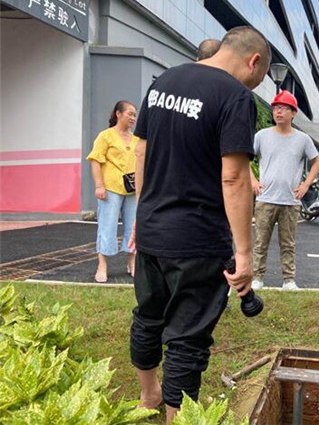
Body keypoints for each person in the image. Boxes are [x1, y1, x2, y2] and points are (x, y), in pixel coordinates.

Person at [127, 26, 270, 424]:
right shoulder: (235, 96)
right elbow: (235, 177)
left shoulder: (165, 81)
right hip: (199, 239)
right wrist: (244, 253)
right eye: (257, 77)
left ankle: (148, 394)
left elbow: (141, 151)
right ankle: (177, 418)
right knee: (187, 337)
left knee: (148, 315)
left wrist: (142, 214)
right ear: (253, 60)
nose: (253, 84)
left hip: (154, 229)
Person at [250, 90, 319, 291]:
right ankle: (257, 278)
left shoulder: (303, 139)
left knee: (288, 244)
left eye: (283, 108)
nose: (278, 112)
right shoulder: (261, 136)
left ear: (293, 113)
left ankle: (289, 280)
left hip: (290, 201)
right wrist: (253, 181)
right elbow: (244, 159)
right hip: (265, 199)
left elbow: (317, 161)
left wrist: (306, 184)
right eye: (275, 108)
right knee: (260, 243)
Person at [86, 100, 139, 283]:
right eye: (129, 113)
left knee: (133, 227)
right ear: (118, 114)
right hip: (110, 188)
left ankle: (132, 263)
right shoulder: (106, 136)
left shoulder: (136, 139)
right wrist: (99, 185)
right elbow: (95, 161)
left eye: (134, 114)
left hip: (132, 190)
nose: (133, 117)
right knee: (106, 226)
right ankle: (102, 265)